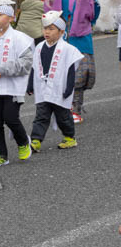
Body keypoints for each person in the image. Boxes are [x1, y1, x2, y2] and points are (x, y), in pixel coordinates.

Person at [0, 0, 34, 167]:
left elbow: (26, 63)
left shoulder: (21, 38)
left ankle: (23, 142)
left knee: (10, 117)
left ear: (11, 18)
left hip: (12, 86)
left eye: (0, 15)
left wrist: (3, 69)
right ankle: (0, 154)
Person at [46, 0, 100, 124]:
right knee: (62, 74)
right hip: (64, 37)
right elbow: (53, 10)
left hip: (81, 39)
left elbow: (93, 15)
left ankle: (75, 109)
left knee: (80, 75)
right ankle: (63, 109)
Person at [28, 11, 82, 151]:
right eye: (45, 28)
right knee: (41, 116)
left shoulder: (68, 49)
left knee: (63, 116)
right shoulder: (39, 47)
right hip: (43, 88)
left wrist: (69, 88)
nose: (47, 32)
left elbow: (71, 70)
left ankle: (70, 138)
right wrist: (30, 84)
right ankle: (36, 141)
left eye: (51, 29)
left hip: (60, 88)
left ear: (61, 31)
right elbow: (35, 66)